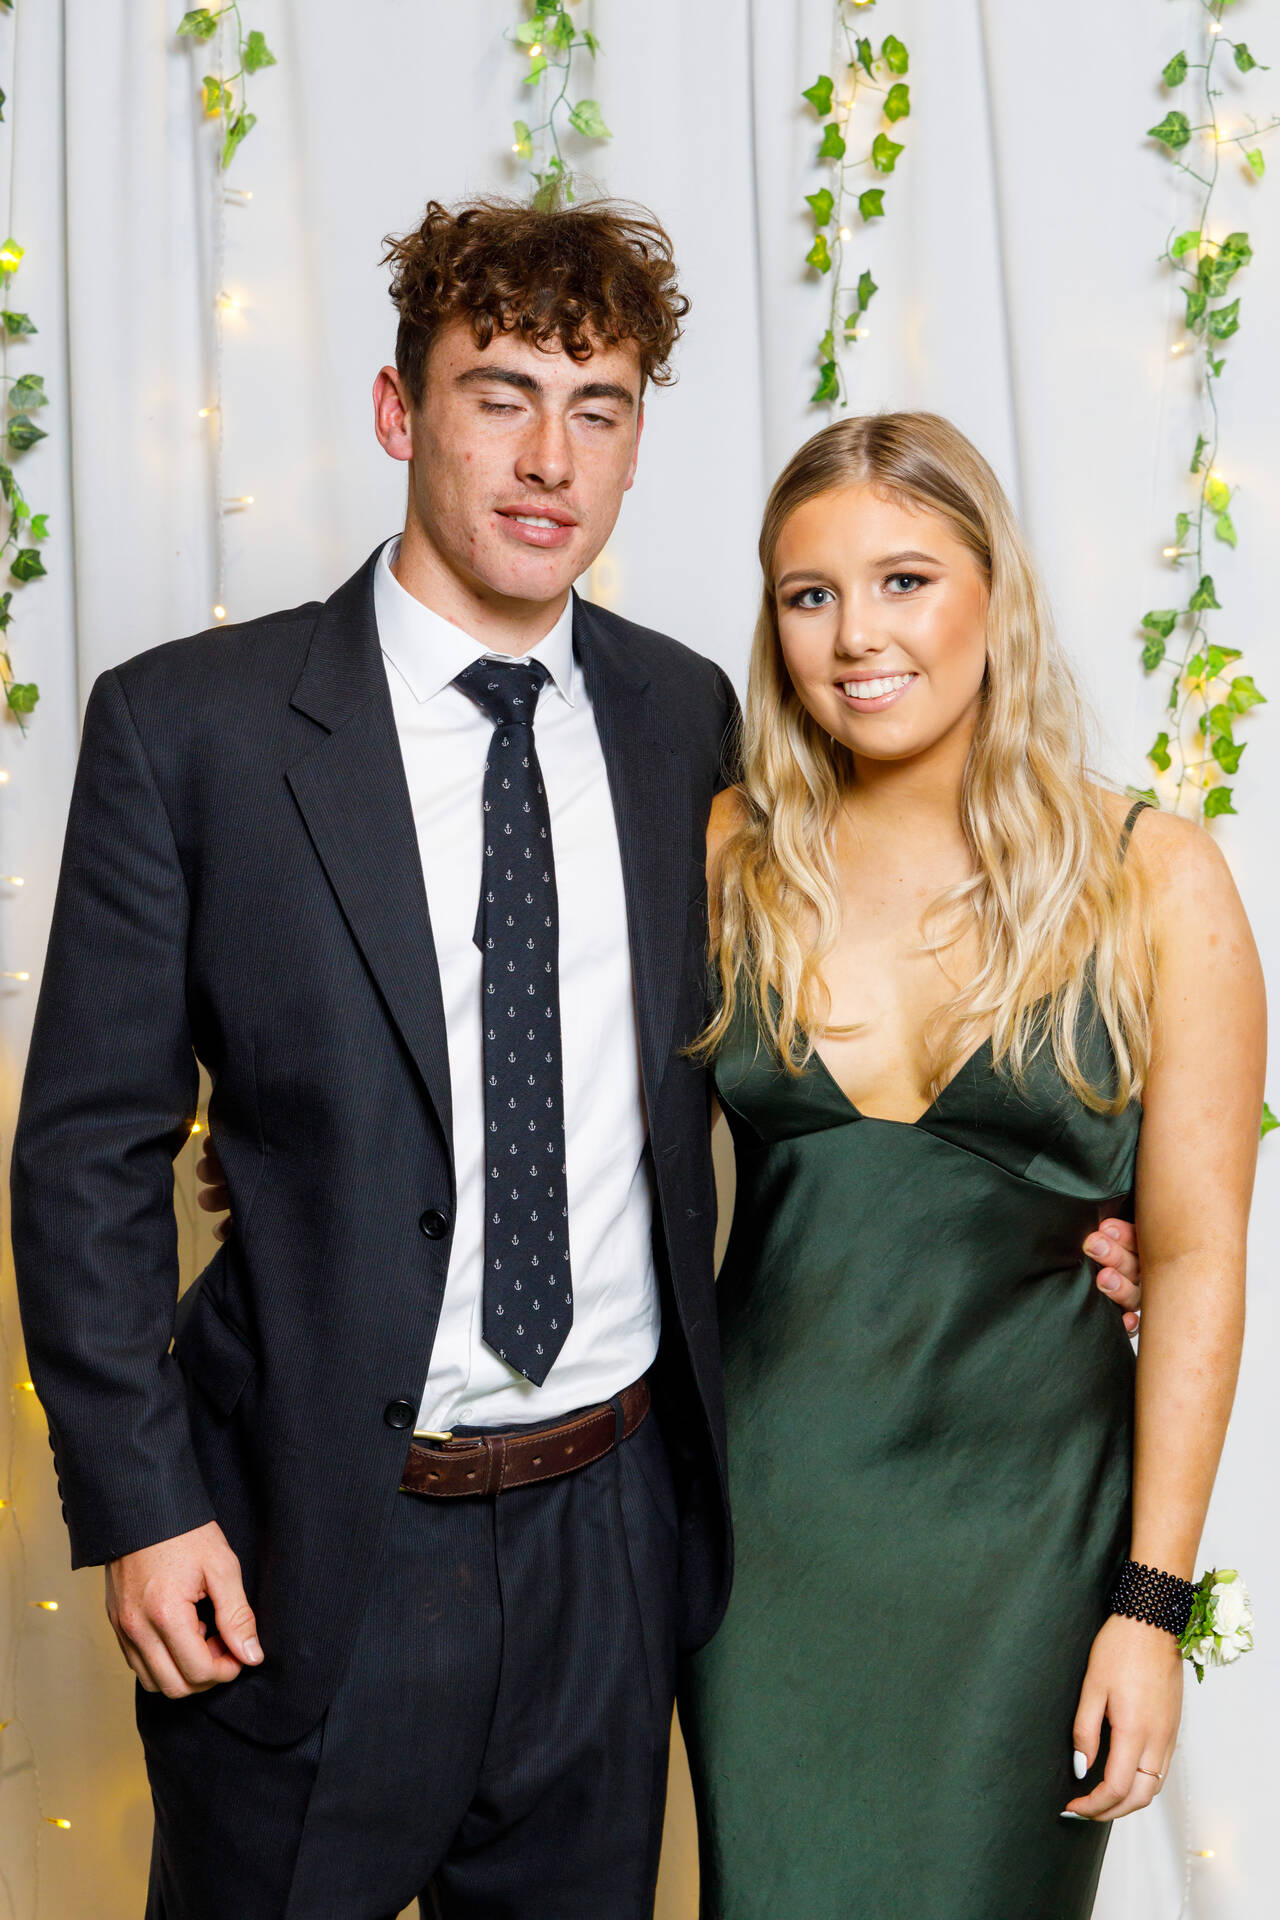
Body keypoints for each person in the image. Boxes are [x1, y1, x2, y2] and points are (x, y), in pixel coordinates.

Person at [12, 195, 1142, 1920]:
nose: (551, 459)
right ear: (399, 412)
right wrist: (143, 1507)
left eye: (598, 409)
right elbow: (85, 1155)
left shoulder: (693, 720)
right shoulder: (192, 729)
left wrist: (1066, 1234)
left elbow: (858, 1010)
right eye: (502, 395)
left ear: (633, 448)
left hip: (615, 1543)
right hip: (304, 1539)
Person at [677, 412, 1262, 1919]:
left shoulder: (1155, 877)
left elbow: (1198, 1257)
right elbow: (549, 1104)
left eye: (905, 581)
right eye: (810, 595)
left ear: (996, 592)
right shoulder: (724, 855)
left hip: (1033, 1549)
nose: (856, 637)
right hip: (771, 1539)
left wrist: (1151, 1605)